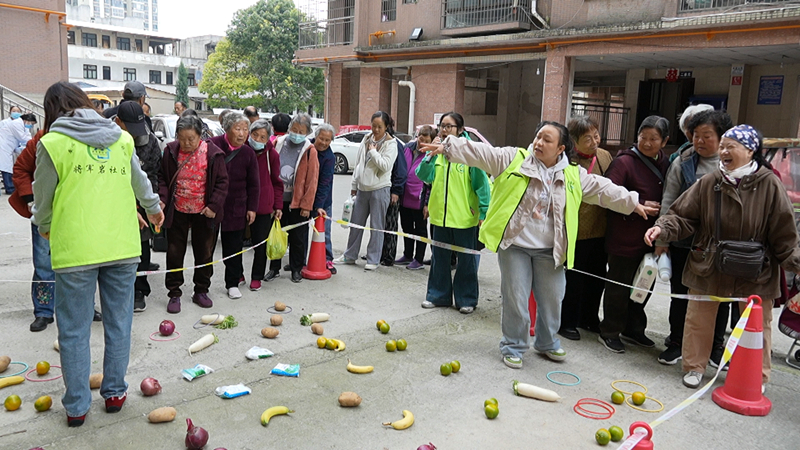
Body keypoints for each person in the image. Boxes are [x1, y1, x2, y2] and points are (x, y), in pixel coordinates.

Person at [420, 121, 651, 369]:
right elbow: (482, 153)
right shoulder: (514, 159)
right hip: (515, 245)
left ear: (561, 148)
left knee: (553, 299)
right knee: (516, 298)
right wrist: (448, 145)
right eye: (538, 136)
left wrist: (631, 202)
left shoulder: (572, 174)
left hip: (551, 249)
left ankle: (547, 342)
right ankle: (513, 345)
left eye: (547, 140)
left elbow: (602, 189)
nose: (539, 143)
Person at [31, 83, 164, 427]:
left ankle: (77, 407)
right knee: (120, 322)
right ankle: (116, 393)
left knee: (74, 331)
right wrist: (153, 209)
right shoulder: (120, 138)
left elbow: (42, 198)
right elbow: (141, 182)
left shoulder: (52, 143)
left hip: (76, 249)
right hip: (121, 245)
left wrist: (45, 225)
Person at [644, 124, 800, 390]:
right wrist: (663, 228)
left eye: (731, 146)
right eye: (723, 146)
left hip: (756, 268)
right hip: (709, 263)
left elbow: (784, 234)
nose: (723, 151)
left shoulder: (769, 183)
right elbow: (682, 215)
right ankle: (695, 367)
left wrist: (795, 264)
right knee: (698, 320)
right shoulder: (710, 181)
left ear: (750, 150)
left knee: (755, 327)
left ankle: (754, 375)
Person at [654, 110, 734, 366]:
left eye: (706, 136)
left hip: (720, 247)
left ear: (722, 138)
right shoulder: (683, 162)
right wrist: (662, 240)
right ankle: (677, 341)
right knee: (680, 293)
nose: (699, 141)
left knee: (719, 298)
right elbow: (669, 201)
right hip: (684, 242)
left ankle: (715, 347)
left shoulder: (733, 165)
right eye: (695, 135)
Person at [598, 116, 670, 354]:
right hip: (624, 237)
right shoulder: (624, 162)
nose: (647, 143)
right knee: (619, 286)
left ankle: (634, 328)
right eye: (643, 137)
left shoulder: (665, 163)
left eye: (654, 139)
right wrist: (635, 203)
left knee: (644, 285)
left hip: (650, 239)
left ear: (664, 141)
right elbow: (607, 194)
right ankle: (609, 331)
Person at [415, 112, 490, 313]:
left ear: (460, 130)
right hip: (440, 217)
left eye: (449, 126)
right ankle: (438, 296)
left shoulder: (469, 153)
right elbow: (422, 175)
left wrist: (483, 212)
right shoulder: (437, 152)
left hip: (465, 218)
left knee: (466, 262)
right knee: (439, 259)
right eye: (442, 126)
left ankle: (466, 299)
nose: (445, 130)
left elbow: (482, 185)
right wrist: (430, 156)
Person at [160, 116, 229, 313]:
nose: (186, 143)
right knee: (174, 252)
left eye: (191, 138)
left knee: (204, 252)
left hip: (204, 212)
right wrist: (163, 199)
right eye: (182, 138)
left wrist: (214, 206)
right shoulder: (170, 151)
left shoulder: (213, 154)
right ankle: (174, 293)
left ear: (201, 135)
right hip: (178, 209)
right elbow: (162, 178)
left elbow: (222, 183)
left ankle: (201, 290)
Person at [558, 116, 614, 341]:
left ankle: (589, 318)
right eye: (587, 138)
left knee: (597, 276)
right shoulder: (566, 161)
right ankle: (567, 322)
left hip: (600, 229)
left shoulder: (605, 156)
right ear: (573, 140)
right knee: (574, 279)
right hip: (576, 231)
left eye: (596, 135)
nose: (594, 142)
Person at [112, 101, 162, 313]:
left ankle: (140, 290)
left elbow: (153, 174)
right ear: (118, 122)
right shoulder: (107, 139)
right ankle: (118, 291)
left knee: (142, 245)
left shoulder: (149, 140)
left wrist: (150, 202)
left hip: (142, 200)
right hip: (114, 201)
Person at [333, 111, 398, 271]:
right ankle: (350, 255)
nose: (376, 129)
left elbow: (385, 166)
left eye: (379, 127)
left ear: (386, 127)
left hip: (380, 189)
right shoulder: (367, 138)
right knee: (356, 224)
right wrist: (354, 185)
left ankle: (373, 259)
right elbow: (359, 163)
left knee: (377, 226)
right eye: (374, 126)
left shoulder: (391, 144)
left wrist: (374, 151)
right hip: (362, 188)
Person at [209, 112, 260, 298]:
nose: (242, 133)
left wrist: (252, 207)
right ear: (227, 128)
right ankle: (202, 287)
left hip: (236, 206)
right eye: (238, 129)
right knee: (207, 247)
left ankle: (232, 283)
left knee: (233, 248)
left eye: (245, 129)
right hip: (213, 205)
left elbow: (254, 184)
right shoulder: (212, 145)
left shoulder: (247, 152)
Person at [265, 113, 319, 282]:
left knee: (298, 238)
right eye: (294, 129)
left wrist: (306, 205)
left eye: (301, 131)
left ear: (307, 132)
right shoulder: (277, 143)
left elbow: (312, 181)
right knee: (276, 235)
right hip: (279, 200)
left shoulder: (310, 151)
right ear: (289, 129)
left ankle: (296, 269)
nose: (297, 133)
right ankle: (274, 268)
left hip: (298, 202)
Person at [247, 119, 283, 290]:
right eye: (255, 135)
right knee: (234, 243)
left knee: (259, 244)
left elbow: (277, 182)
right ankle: (236, 274)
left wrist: (278, 206)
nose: (258, 139)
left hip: (263, 206)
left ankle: (256, 276)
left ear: (268, 138)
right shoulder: (243, 150)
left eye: (262, 137)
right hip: (241, 203)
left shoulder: (272, 155)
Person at [395, 125, 436, 270]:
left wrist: (427, 204)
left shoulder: (432, 155)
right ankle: (407, 255)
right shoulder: (407, 148)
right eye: (420, 138)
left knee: (420, 230)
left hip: (420, 199)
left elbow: (431, 182)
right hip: (405, 196)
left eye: (426, 140)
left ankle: (418, 259)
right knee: (406, 227)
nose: (421, 142)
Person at [379, 131, 408, 266]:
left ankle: (388, 256)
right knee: (378, 223)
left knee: (390, 223)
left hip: (391, 190)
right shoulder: (376, 142)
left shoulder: (395, 144)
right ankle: (378, 252)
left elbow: (401, 171)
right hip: (378, 188)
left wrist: (396, 191)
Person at [312, 123, 337, 274]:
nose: (324, 143)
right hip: (304, 199)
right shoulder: (308, 148)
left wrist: (318, 206)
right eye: (321, 138)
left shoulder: (329, 157)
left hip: (323, 201)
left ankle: (328, 258)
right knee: (301, 232)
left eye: (328, 140)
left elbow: (325, 184)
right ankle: (300, 260)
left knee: (324, 232)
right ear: (316, 136)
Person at [0, 106, 33, 194]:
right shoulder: (14, 123)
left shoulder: (21, 123)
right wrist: (31, 142)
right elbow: (22, 137)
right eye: (13, 111)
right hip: (5, 146)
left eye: (18, 111)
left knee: (8, 166)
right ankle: (10, 188)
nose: (16, 113)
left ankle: (10, 186)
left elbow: (26, 134)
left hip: (10, 147)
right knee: (6, 166)